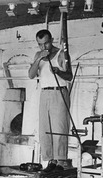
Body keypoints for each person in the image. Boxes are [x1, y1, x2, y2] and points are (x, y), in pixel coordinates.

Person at [28, 29, 73, 170]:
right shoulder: (38, 55)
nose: (43, 47)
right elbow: (31, 75)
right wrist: (39, 58)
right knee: (45, 128)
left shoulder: (61, 54)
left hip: (58, 91)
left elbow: (69, 76)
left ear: (51, 40)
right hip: (44, 93)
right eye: (40, 44)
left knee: (59, 127)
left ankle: (60, 160)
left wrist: (59, 71)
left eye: (46, 43)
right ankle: (50, 160)